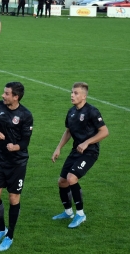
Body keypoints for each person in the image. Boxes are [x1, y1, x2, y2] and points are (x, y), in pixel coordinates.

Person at [51, 82, 109, 228]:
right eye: (72, 92)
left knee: (71, 178)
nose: (72, 95)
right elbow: (68, 131)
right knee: (62, 182)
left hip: (90, 152)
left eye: (76, 93)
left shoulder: (92, 111)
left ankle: (81, 215)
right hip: (76, 151)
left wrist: (87, 143)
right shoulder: (71, 112)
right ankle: (68, 212)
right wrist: (58, 148)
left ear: (84, 96)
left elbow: (104, 132)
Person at [0, 82, 33, 252]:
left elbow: (25, 141)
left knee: (13, 199)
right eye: (4, 92)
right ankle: (1, 229)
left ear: (16, 97)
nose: (2, 95)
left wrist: (16, 147)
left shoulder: (26, 115)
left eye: (6, 93)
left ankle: (10, 236)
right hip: (0, 160)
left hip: (18, 163)